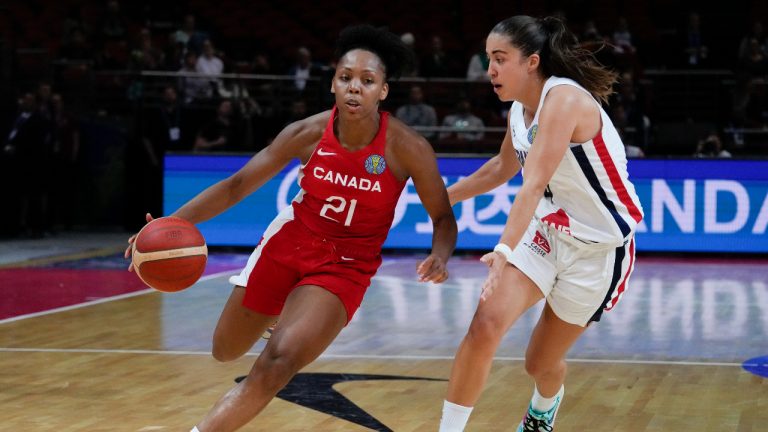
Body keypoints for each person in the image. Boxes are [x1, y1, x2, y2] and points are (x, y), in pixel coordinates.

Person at [125, 24, 457, 432]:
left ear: (383, 91)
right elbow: (236, 186)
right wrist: (168, 223)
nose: (355, 87)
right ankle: (285, 311)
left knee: (277, 361)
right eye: (346, 77)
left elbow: (443, 218)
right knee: (225, 349)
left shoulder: (408, 148)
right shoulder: (306, 133)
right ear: (333, 84)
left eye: (367, 81)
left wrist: (440, 255)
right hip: (291, 241)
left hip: (345, 264)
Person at [438, 15, 644, 432]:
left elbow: (532, 184)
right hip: (547, 232)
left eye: (500, 59)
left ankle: (543, 407)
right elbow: (501, 167)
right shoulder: (519, 110)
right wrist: (438, 200)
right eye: (488, 58)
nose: (490, 69)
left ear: (531, 62)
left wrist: (502, 251)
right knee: (485, 324)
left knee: (539, 363)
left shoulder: (564, 100)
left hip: (598, 251)